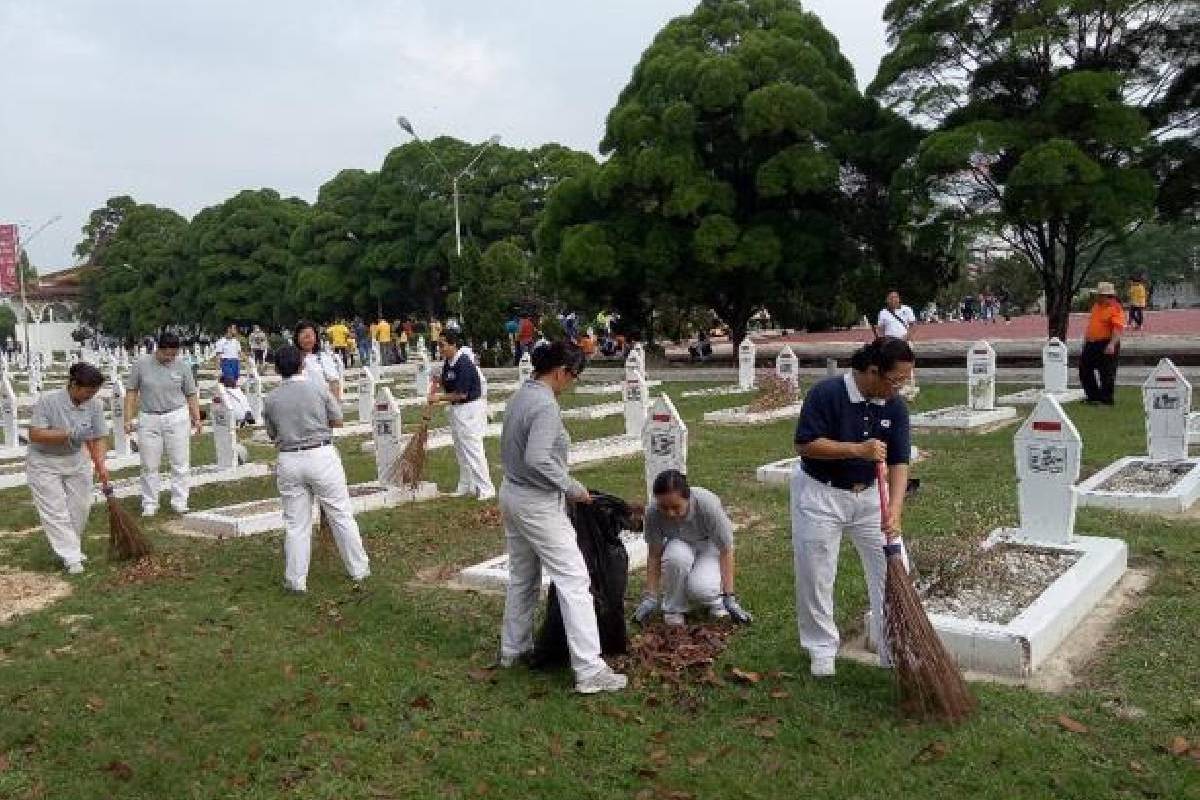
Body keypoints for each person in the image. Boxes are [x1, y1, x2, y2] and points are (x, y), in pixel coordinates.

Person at [497, 340, 627, 694]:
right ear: (560, 371)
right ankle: (589, 669)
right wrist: (570, 486)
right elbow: (538, 457)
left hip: (512, 492)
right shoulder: (544, 406)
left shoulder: (521, 395)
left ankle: (514, 648)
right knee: (574, 578)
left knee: (523, 576)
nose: (571, 383)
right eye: (573, 376)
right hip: (536, 502)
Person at [789, 337, 914, 677]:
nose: (901, 387)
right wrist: (858, 450)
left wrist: (896, 509)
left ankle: (893, 646)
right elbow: (805, 444)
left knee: (894, 568)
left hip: (872, 497)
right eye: (897, 380)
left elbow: (901, 461)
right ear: (873, 372)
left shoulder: (895, 406)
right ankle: (821, 648)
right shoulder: (827, 394)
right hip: (821, 494)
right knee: (816, 572)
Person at [263, 346, 370, 593]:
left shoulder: (271, 399)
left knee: (296, 523)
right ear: (302, 364)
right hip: (321, 453)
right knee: (340, 514)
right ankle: (359, 569)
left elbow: (272, 433)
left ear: (277, 369)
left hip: (289, 458)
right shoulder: (318, 388)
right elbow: (338, 419)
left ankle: (296, 580)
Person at [633, 470, 752, 627]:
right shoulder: (653, 513)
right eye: (664, 507)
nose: (670, 513)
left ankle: (718, 601)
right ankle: (674, 608)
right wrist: (650, 597)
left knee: (702, 589)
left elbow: (726, 550)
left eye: (676, 507)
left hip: (709, 544)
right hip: (679, 544)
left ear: (688, 498)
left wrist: (730, 596)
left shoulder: (707, 505)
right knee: (674, 558)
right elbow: (654, 555)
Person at [26, 363, 109, 574]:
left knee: (80, 507)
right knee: (55, 510)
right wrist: (68, 433)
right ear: (73, 384)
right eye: (88, 391)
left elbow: (98, 436)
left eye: (94, 392)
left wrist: (101, 461)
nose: (91, 396)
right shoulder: (49, 401)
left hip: (76, 459)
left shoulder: (94, 405)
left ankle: (70, 546)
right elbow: (35, 434)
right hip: (45, 462)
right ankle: (71, 556)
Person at [127, 332, 203, 516]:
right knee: (149, 464)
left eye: (173, 354)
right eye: (166, 354)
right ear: (158, 349)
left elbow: (191, 393)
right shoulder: (141, 365)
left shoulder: (183, 367)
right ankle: (150, 503)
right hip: (149, 416)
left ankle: (179, 500)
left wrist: (196, 417)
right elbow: (131, 392)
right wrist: (127, 418)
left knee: (180, 461)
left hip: (176, 415)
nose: (169, 358)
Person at [428, 330, 495, 501]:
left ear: (453, 345)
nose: (440, 349)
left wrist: (439, 398)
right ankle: (466, 485)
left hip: (469, 409)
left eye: (442, 345)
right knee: (461, 450)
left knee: (473, 449)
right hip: (456, 410)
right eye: (438, 345)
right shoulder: (449, 363)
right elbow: (449, 383)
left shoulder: (463, 363)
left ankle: (486, 488)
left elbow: (461, 393)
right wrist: (438, 381)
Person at [1080, 281, 1125, 405]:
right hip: (1092, 342)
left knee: (1106, 372)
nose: (1098, 297)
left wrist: (1112, 344)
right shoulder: (1096, 306)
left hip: (1106, 342)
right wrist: (1086, 339)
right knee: (1084, 369)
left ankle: (1106, 399)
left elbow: (1118, 328)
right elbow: (1092, 324)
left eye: (1101, 295)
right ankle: (1093, 396)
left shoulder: (1115, 308)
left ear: (1108, 296)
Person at [294, 321, 342, 401]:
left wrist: (335, 406)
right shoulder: (292, 359)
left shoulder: (324, 358)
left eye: (311, 335)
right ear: (297, 338)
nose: (307, 339)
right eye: (304, 335)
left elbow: (334, 383)